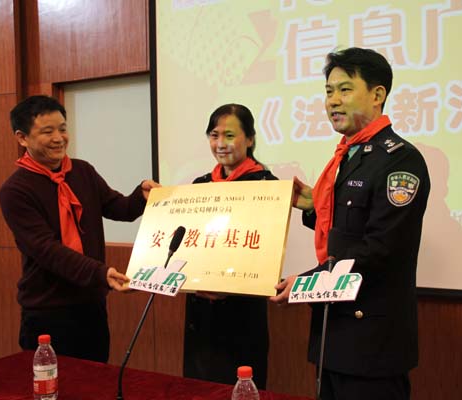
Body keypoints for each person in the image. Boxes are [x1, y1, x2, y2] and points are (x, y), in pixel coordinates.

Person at [270, 48, 431, 400]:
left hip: (372, 342)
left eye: (345, 90)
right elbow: (349, 226)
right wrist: (315, 206)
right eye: (328, 91)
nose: (333, 101)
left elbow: (381, 249)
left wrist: (306, 283)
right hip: (334, 335)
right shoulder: (348, 155)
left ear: (377, 95)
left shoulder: (400, 160)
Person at [0, 95, 159, 363]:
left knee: (95, 380)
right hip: (47, 312)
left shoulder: (82, 171)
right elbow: (47, 251)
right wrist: (101, 273)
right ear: (22, 138)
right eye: (47, 131)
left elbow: (118, 208)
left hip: (91, 306)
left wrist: (141, 196)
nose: (59, 138)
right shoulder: (15, 191)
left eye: (62, 129)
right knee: (50, 383)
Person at [183, 104, 276, 389]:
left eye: (230, 135)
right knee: (199, 388)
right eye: (214, 135)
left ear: (250, 139)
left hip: (242, 309)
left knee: (242, 387)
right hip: (201, 308)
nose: (220, 143)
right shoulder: (200, 186)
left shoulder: (267, 186)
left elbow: (267, 248)